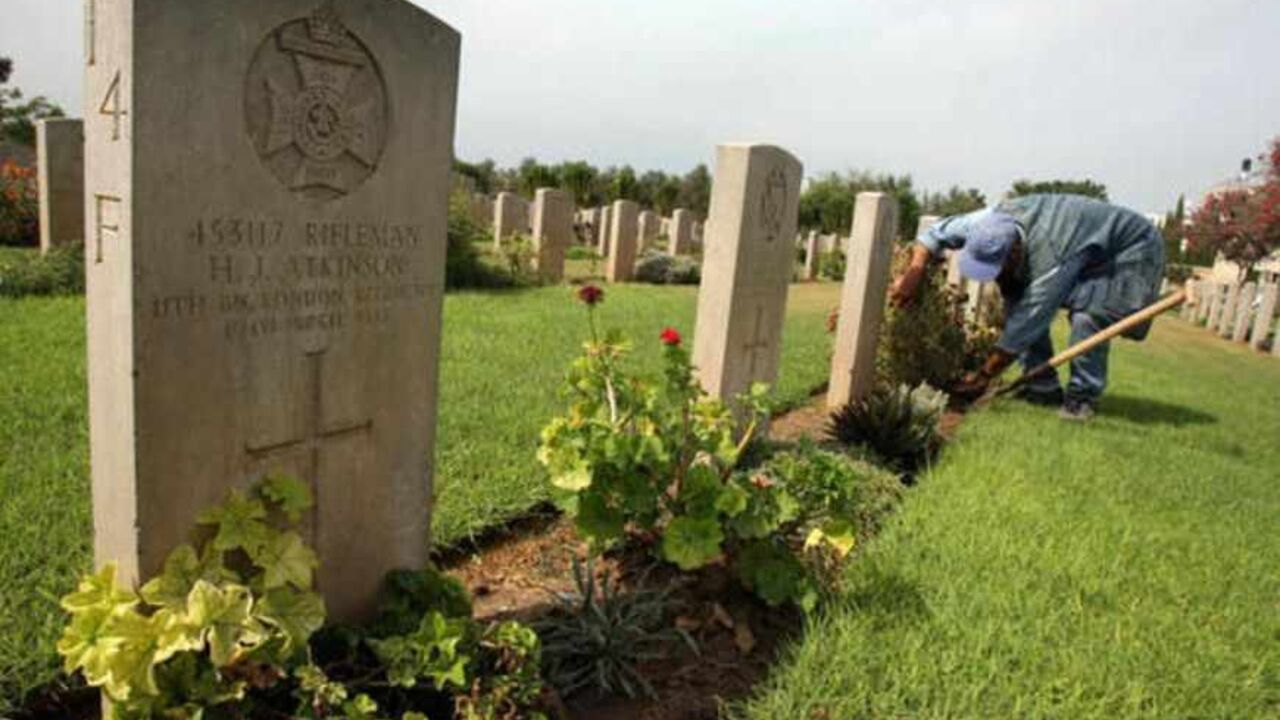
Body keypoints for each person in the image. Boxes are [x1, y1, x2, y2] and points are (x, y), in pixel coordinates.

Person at [890, 194, 1166, 421]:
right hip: (1085, 243)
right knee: (1013, 289)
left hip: (1130, 248)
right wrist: (914, 271)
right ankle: (1042, 388)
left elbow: (1028, 321)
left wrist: (983, 376)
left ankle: (1082, 399)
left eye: (997, 268)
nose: (993, 275)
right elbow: (932, 237)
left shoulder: (1050, 256)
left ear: (1015, 252)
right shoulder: (984, 222)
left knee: (1088, 316)